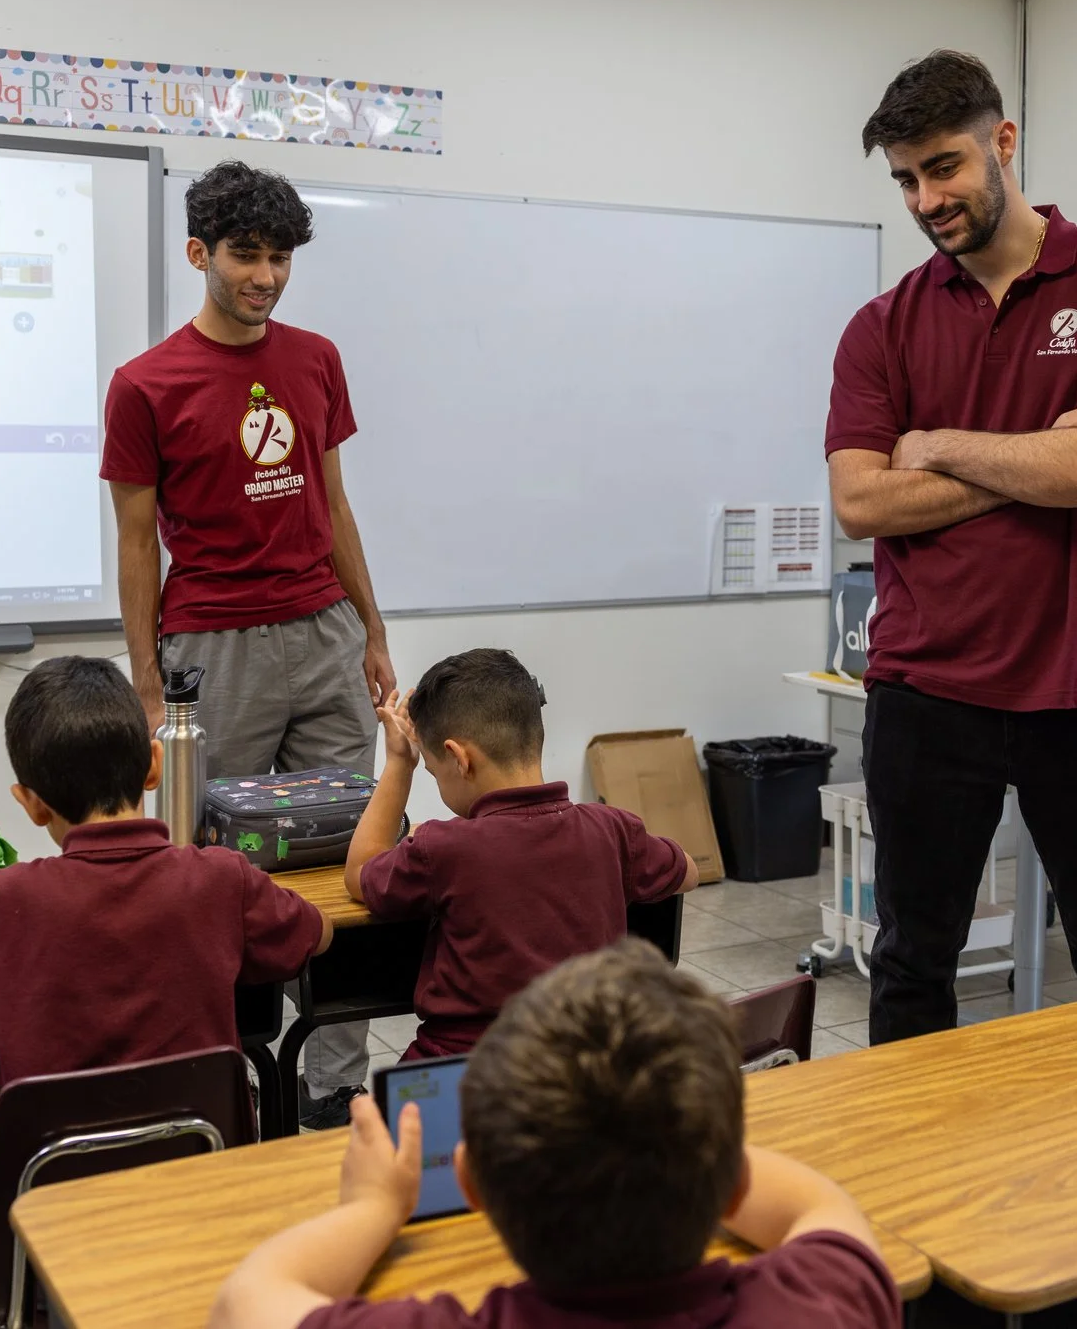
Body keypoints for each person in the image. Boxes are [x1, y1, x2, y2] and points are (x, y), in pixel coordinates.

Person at [826, 49, 1077, 1043]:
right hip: (925, 690)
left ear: (1004, 143)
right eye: (905, 179)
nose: (926, 199)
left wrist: (938, 450)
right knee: (909, 966)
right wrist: (1037, 464)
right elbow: (859, 501)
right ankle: (915, 1192)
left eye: (943, 167)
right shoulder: (881, 327)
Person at [102, 160, 390, 1125]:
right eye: (246, 256)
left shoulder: (316, 359)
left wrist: (373, 631)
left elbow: (334, 502)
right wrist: (146, 684)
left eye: (279, 257)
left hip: (324, 635)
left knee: (355, 853)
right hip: (212, 645)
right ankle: (224, 1066)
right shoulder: (144, 385)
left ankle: (331, 1081)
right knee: (210, 865)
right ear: (200, 254)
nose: (265, 275)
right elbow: (137, 546)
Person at [208, 939, 897, 1329]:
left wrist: (374, 1208)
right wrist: (686, 1137)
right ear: (735, 1178)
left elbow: (246, 1298)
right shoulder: (819, 1306)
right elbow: (821, 1207)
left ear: (473, 1181)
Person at [0, 655, 328, 1180]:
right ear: (154, 766)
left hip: (54, 1220)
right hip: (201, 1193)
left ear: (30, 803)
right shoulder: (221, 880)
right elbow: (317, 934)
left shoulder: (0, 903)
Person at [342, 650, 696, 1061]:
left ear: (459, 759)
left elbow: (361, 871)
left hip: (472, 1069)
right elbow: (686, 870)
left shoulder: (442, 849)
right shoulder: (611, 828)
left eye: (434, 773)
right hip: (590, 1066)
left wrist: (400, 764)